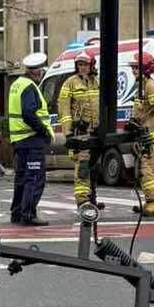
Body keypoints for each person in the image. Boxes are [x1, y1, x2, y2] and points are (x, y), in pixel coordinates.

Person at [8, 53, 54, 227]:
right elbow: (29, 113)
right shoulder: (29, 87)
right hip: (32, 139)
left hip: (19, 140)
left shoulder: (16, 85)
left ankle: (17, 213)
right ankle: (28, 214)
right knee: (34, 178)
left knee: (21, 177)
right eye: (41, 72)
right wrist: (44, 132)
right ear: (37, 73)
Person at [56, 50, 102, 208]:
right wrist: (68, 132)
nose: (82, 67)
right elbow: (64, 109)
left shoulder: (97, 81)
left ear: (92, 66)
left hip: (96, 131)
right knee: (82, 165)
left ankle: (92, 197)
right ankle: (82, 200)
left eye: (85, 64)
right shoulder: (70, 82)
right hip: (80, 132)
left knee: (94, 166)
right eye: (80, 65)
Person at [129, 52, 154, 216]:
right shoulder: (142, 85)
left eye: (137, 67)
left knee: (145, 168)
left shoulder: (151, 85)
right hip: (143, 132)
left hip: (149, 133)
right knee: (152, 167)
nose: (133, 70)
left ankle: (153, 201)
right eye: (133, 67)